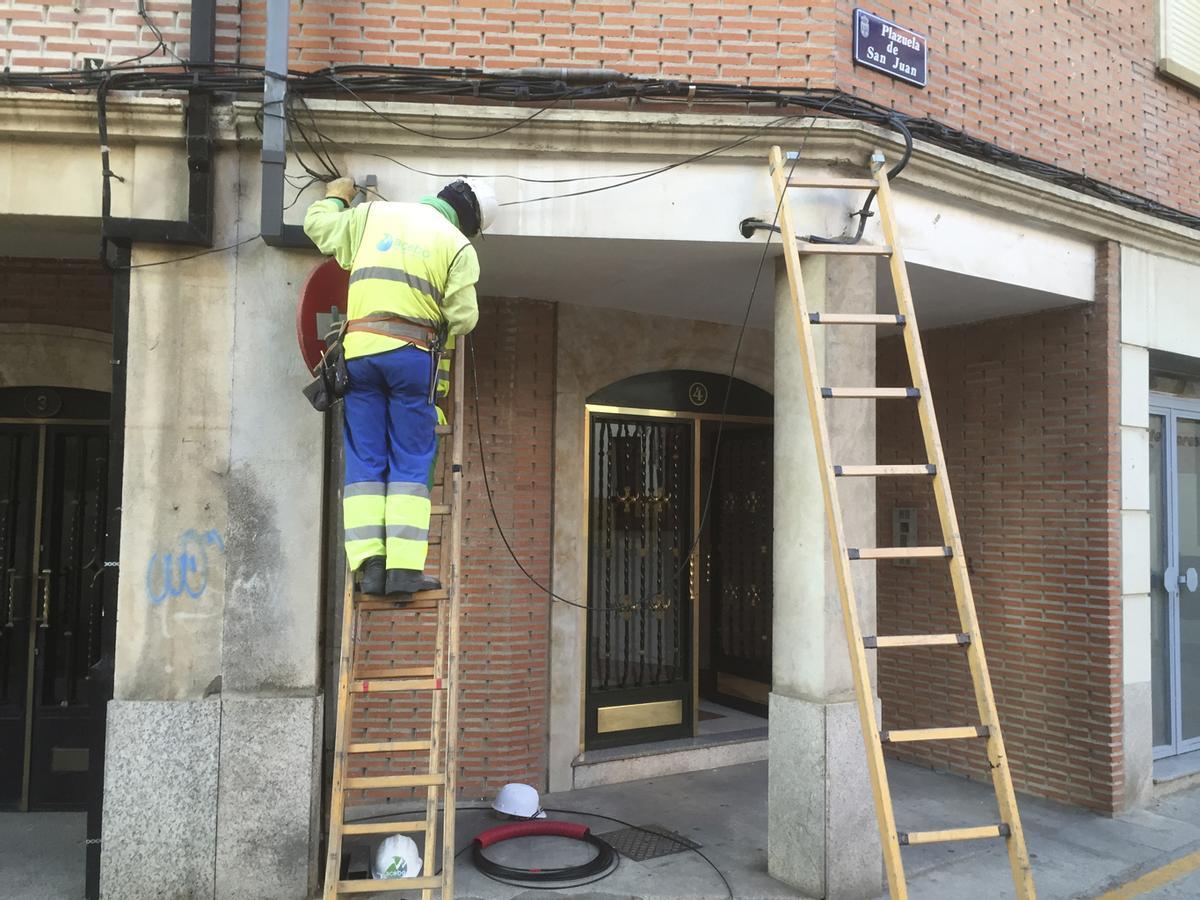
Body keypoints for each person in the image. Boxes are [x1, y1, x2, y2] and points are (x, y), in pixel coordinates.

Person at [304, 176, 495, 595]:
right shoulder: (457, 245)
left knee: (365, 457)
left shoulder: (373, 214)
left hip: (359, 353)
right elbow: (463, 318)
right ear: (466, 223)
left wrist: (335, 198)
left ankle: (369, 566)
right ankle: (404, 571)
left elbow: (318, 227)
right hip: (411, 355)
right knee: (409, 458)